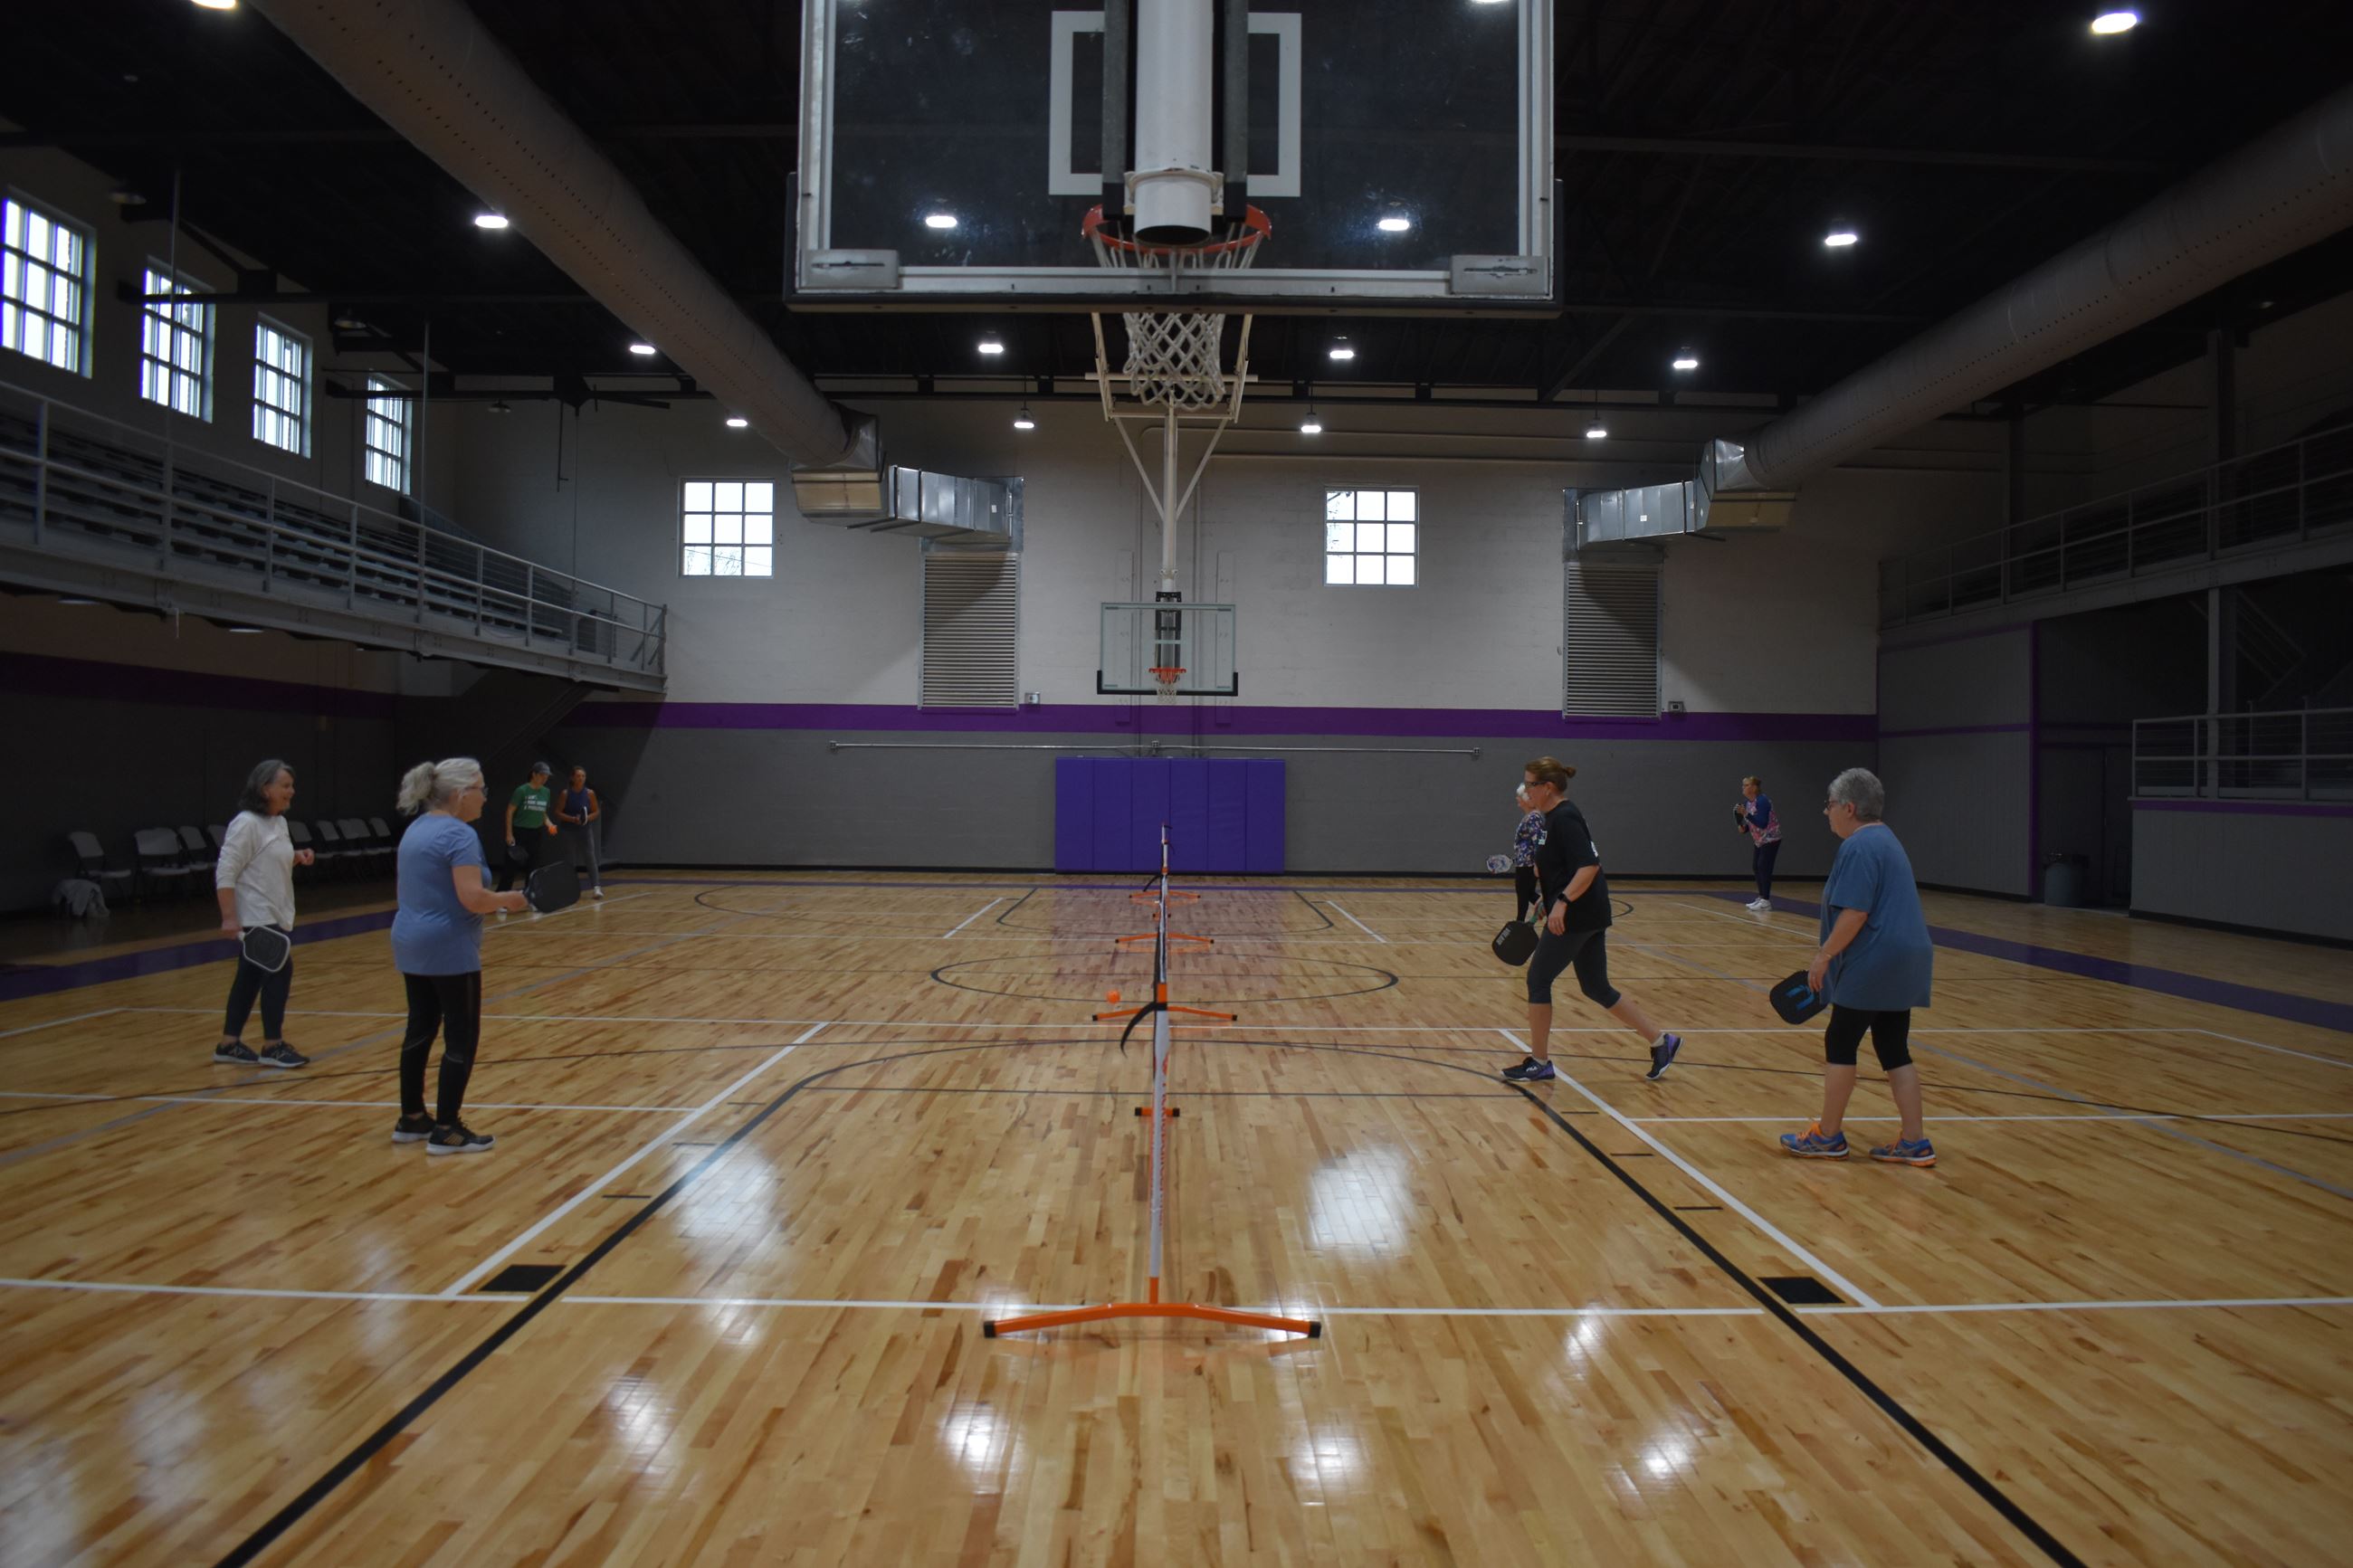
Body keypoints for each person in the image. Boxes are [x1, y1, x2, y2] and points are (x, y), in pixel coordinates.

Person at [1779, 767, 1938, 1166]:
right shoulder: (1887, 840)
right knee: (1892, 1045)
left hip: (1876, 959)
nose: (1827, 813)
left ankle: (1828, 1136)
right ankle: (1915, 1142)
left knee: (1840, 1040)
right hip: (1906, 959)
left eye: (1830, 806)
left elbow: (1856, 911)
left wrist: (1824, 955)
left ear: (1849, 807)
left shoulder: (1859, 847)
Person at [1502, 756, 1685, 1084]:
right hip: (1585, 912)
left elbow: (1588, 866)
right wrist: (1549, 897)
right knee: (1596, 987)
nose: (1526, 790)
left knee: (1538, 979)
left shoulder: (1565, 818)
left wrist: (1562, 902)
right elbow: (1564, 867)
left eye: (1530, 784)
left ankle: (1540, 1061)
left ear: (1548, 787)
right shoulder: (1548, 819)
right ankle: (1662, 1042)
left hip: (1578, 915)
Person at [393, 757, 530, 1155]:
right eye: (481, 789)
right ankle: (448, 1128)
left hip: (409, 941)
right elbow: (472, 899)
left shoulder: (417, 829)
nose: (485, 798)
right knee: (461, 1036)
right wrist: (511, 900)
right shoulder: (458, 835)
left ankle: (413, 1118)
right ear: (459, 794)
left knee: (419, 1029)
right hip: (448, 946)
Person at [211, 758, 316, 1068]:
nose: (291, 791)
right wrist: (229, 917)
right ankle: (273, 1045)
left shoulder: (278, 823)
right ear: (264, 788)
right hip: (257, 916)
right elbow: (226, 872)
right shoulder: (245, 823)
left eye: (292, 786)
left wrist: (296, 857)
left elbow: (266, 861)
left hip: (277, 911)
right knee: (279, 973)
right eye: (285, 786)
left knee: (249, 977)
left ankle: (228, 1044)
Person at [494, 761, 556, 902]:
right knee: (510, 868)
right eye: (542, 775)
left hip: (536, 833)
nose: (545, 778)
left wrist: (550, 824)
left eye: (547, 776)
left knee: (533, 867)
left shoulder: (546, 792)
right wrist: (509, 833)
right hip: (519, 832)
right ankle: (500, 900)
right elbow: (509, 811)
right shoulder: (522, 790)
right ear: (533, 774)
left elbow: (542, 813)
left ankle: (531, 897)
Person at [553, 765, 605, 899]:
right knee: (570, 860)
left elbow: (596, 811)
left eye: (583, 776)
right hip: (568, 830)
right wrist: (572, 819)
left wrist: (586, 818)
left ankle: (596, 888)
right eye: (578, 776)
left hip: (585, 830)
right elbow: (558, 812)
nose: (581, 778)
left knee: (590, 858)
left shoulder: (590, 793)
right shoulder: (565, 793)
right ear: (572, 778)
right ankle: (569, 888)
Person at [1735, 774, 1782, 910]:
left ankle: (1766, 901)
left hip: (1771, 838)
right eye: (1743, 785)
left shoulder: (1762, 801)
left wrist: (1746, 815)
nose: (1743, 788)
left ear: (1754, 787)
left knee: (1763, 867)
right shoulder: (1748, 803)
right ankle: (1762, 897)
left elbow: (1762, 823)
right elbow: (1751, 823)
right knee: (1756, 866)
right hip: (1759, 840)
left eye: (1746, 785)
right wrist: (1744, 828)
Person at [1509, 782, 1543, 920]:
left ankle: (1520, 923)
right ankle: (1549, 908)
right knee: (1528, 893)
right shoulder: (1531, 817)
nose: (1518, 799)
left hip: (1528, 865)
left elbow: (1539, 840)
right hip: (1524, 863)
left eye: (1520, 797)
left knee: (1523, 893)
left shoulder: (1534, 817)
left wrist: (1537, 862)